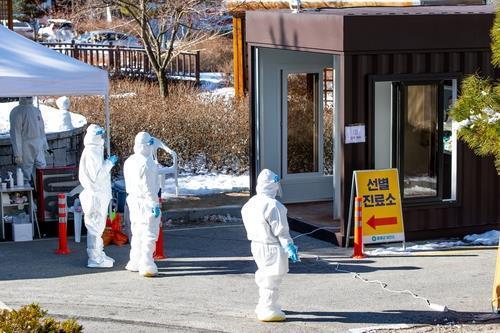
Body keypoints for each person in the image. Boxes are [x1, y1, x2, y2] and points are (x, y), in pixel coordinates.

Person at [241, 169, 300, 322]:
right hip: (272, 247)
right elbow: (281, 231)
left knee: (264, 274)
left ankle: (263, 304)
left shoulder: (251, 202)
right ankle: (269, 308)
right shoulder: (274, 206)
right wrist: (289, 246)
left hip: (257, 245)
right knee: (272, 278)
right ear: (273, 185)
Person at [79, 124, 118, 268]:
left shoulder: (94, 150)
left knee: (97, 227)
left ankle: (99, 254)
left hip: (98, 195)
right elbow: (98, 177)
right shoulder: (92, 153)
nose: (103, 138)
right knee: (95, 227)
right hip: (95, 196)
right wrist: (109, 163)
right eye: (101, 135)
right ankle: (95, 259)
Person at [124, 132, 161, 277]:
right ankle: (146, 263)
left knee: (137, 230)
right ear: (146, 146)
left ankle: (135, 260)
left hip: (133, 200)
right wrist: (154, 205)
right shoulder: (147, 163)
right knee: (150, 232)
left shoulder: (130, 161)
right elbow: (149, 187)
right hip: (146, 201)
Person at [9, 97, 50, 182]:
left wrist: (46, 147)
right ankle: (24, 194)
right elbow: (16, 133)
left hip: (38, 144)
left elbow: (41, 130)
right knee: (25, 172)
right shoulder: (17, 111)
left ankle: (41, 193)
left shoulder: (36, 111)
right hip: (26, 145)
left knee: (41, 169)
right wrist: (18, 154)